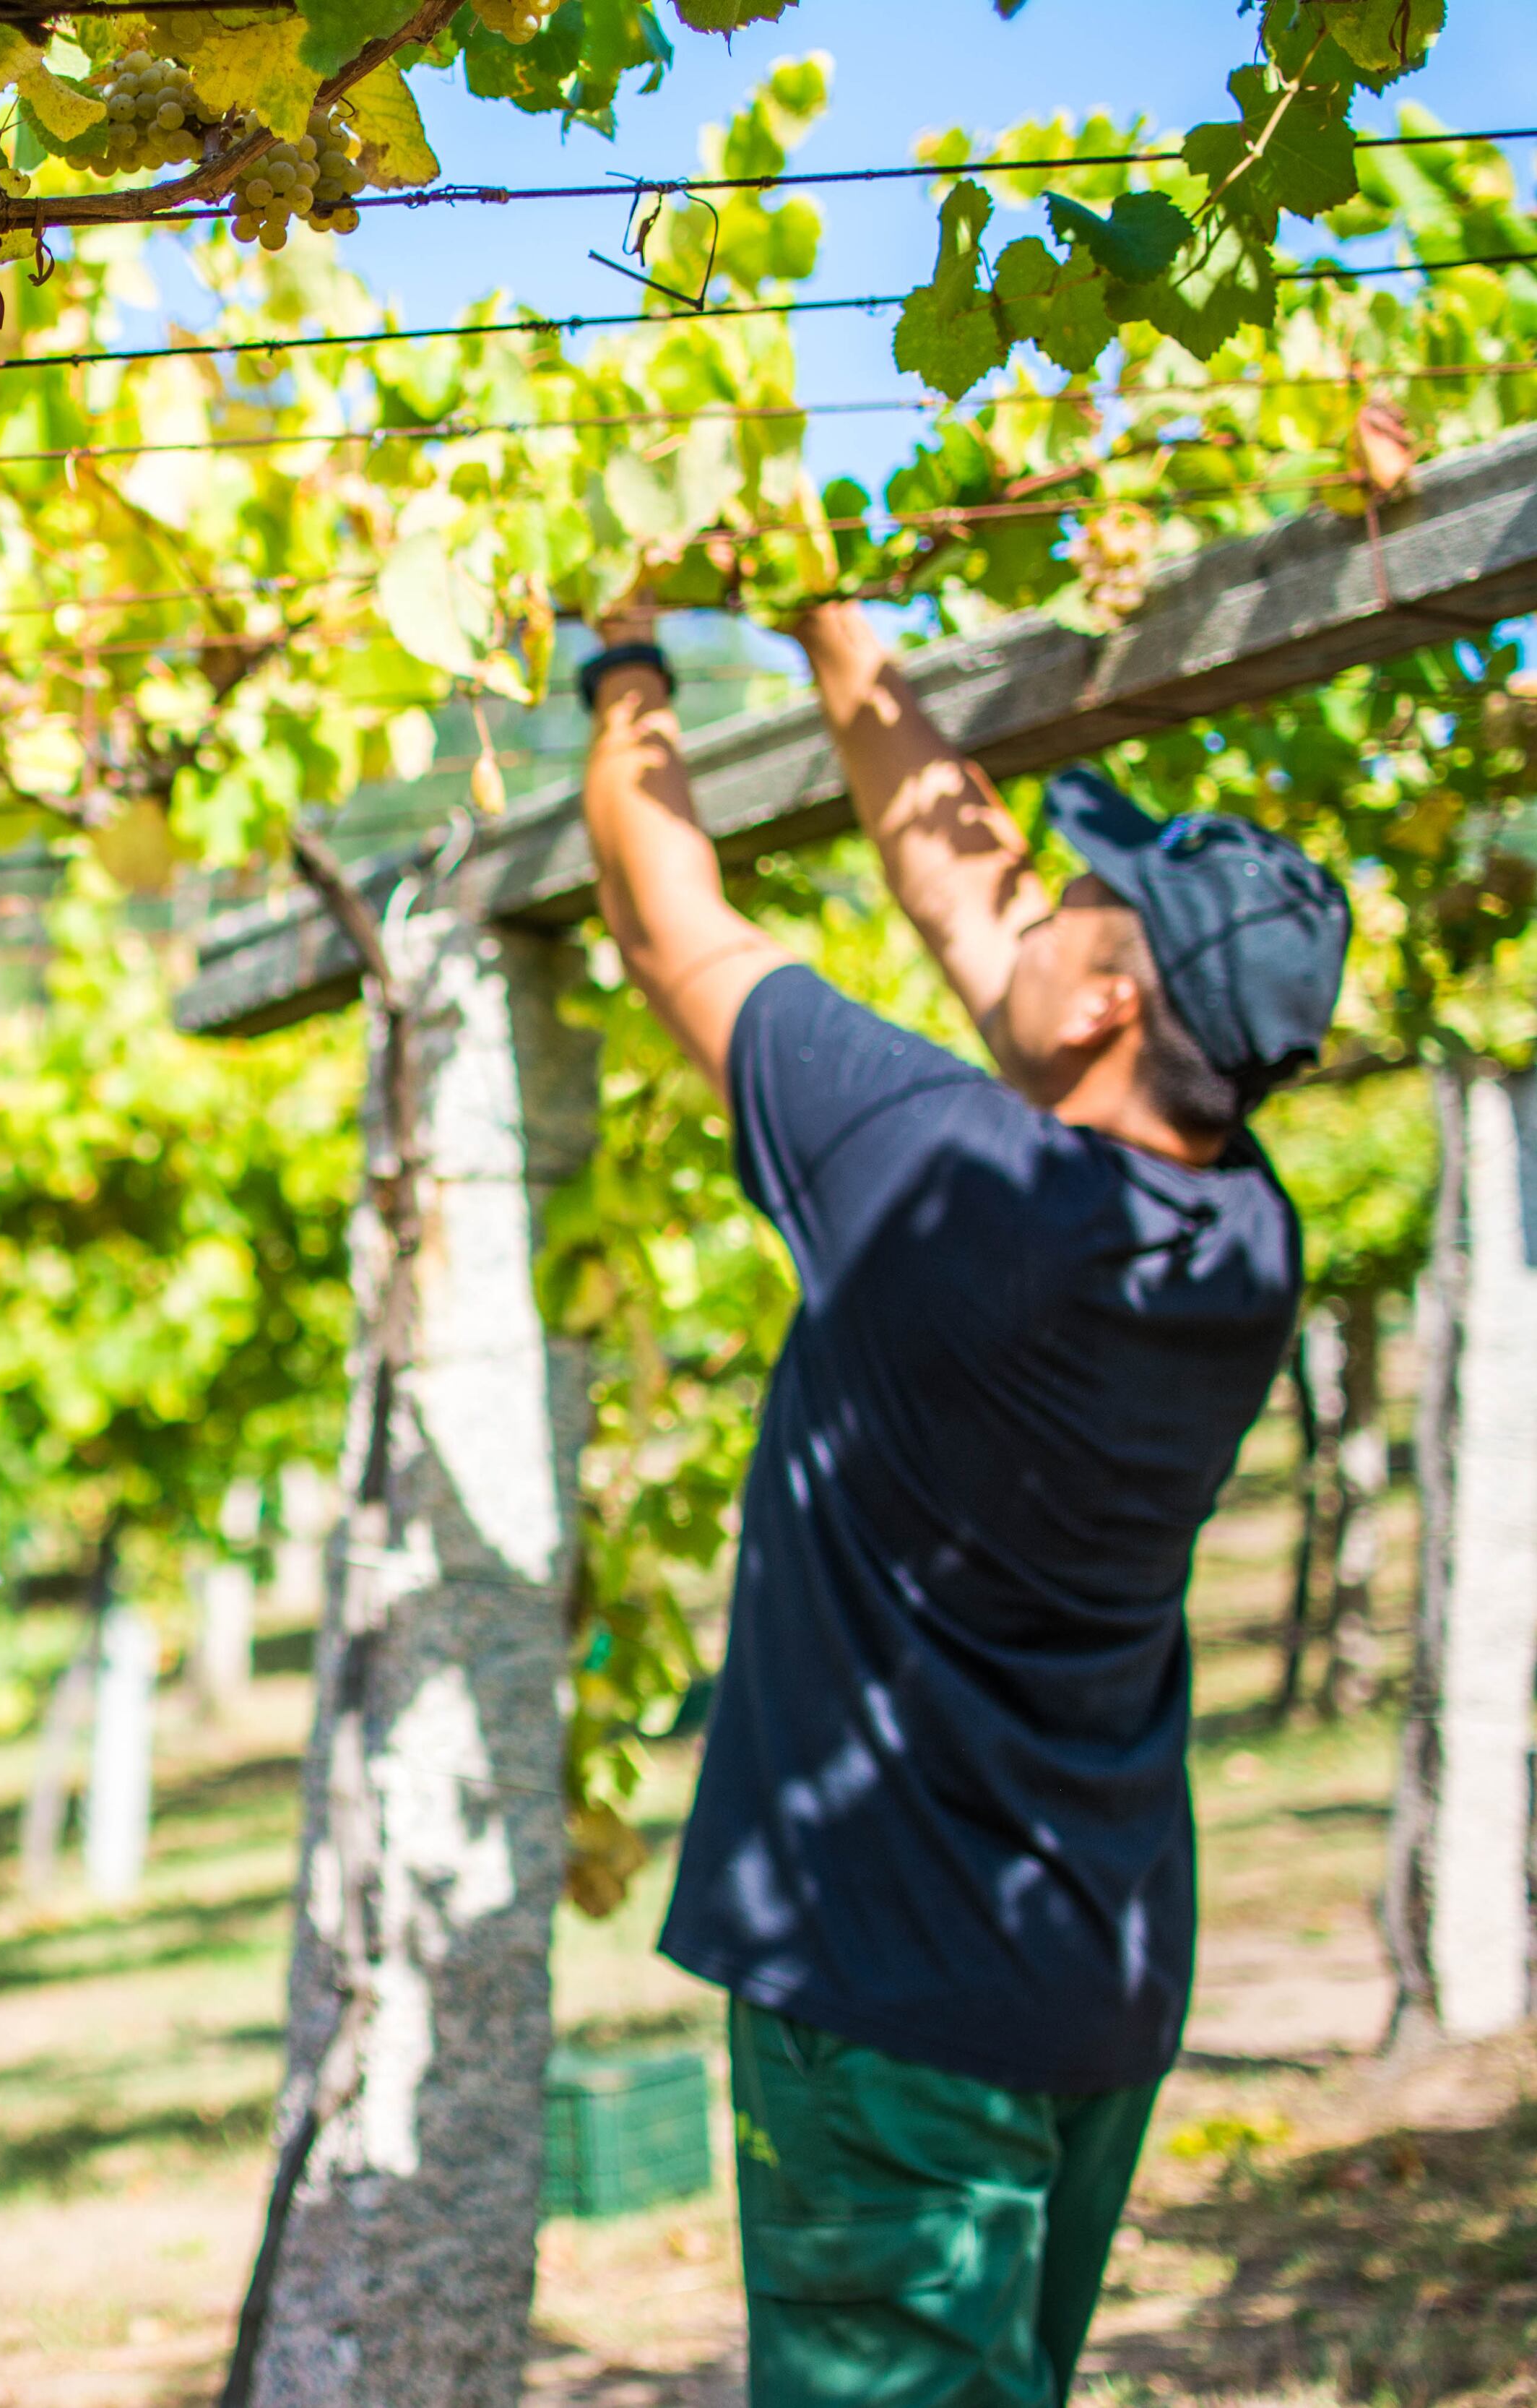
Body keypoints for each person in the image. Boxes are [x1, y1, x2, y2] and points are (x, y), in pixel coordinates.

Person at [571, 599, 1349, 2407]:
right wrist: (831, 629)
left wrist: (621, 662)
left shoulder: (927, 1176)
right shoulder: (1245, 1243)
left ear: (1109, 999)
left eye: (1071, 903)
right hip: (1088, 1966)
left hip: (886, 1994)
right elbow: (968, 900)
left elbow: (663, 917)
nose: (1026, 897)